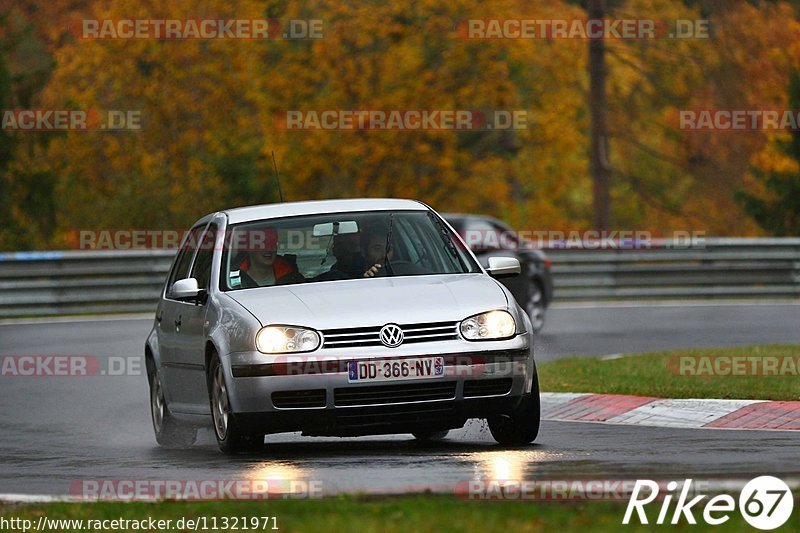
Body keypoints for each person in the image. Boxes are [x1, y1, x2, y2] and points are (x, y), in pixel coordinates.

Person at [237, 228, 303, 288]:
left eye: (272, 243)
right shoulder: (231, 280)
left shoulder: (293, 278)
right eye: (262, 244)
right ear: (249, 248)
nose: (269, 249)